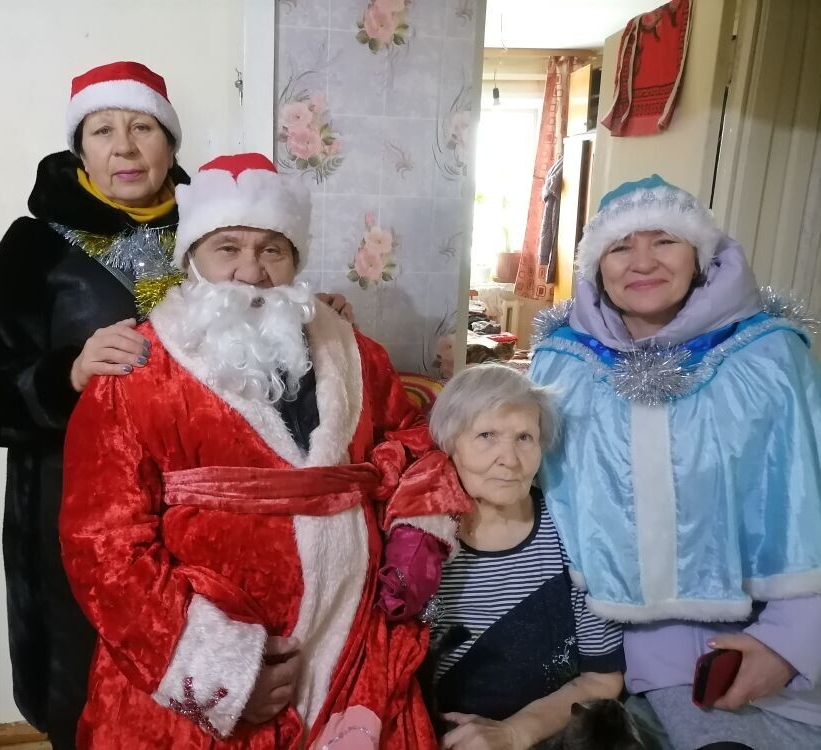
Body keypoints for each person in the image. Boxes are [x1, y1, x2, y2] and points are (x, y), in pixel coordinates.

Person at [0, 63, 351, 748]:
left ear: (170, 143)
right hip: (81, 521)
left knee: (215, 702)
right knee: (92, 701)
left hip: (207, 526)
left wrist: (309, 317)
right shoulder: (34, 247)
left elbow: (258, 338)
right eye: (103, 131)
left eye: (142, 128)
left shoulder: (215, 226)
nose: (125, 147)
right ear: (80, 148)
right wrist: (66, 374)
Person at [59, 152, 469, 748]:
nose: (251, 272)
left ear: (294, 260)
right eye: (227, 247)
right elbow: (102, 547)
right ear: (192, 258)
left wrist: (416, 532)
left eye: (271, 249)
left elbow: (413, 442)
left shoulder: (356, 353)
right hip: (200, 671)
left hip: (352, 650)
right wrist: (222, 673)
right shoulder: (134, 371)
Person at [530, 175, 821, 750]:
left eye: (664, 240)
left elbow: (808, 499)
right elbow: (536, 495)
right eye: (620, 246)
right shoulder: (560, 363)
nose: (642, 262)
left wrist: (790, 644)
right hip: (592, 650)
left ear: (699, 255)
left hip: (753, 655)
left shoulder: (770, 357)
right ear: (597, 266)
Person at [423, 364, 625, 750]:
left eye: (524, 438)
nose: (510, 460)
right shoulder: (421, 544)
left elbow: (602, 678)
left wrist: (516, 732)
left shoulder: (574, 537)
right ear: (450, 444)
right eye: (486, 435)